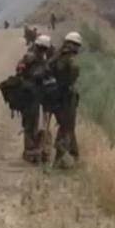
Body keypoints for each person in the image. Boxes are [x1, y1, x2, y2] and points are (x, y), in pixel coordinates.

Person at [15, 34, 53, 163]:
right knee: (30, 123)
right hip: (29, 95)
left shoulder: (41, 59)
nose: (43, 51)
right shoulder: (30, 58)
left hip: (37, 95)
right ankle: (30, 151)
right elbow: (20, 71)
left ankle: (35, 150)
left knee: (35, 123)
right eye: (42, 48)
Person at [48, 31, 83, 167]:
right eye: (77, 46)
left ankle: (73, 155)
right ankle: (61, 159)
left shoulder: (56, 56)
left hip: (56, 97)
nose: (77, 49)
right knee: (67, 127)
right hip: (66, 98)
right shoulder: (69, 59)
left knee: (66, 126)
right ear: (74, 45)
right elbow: (73, 74)